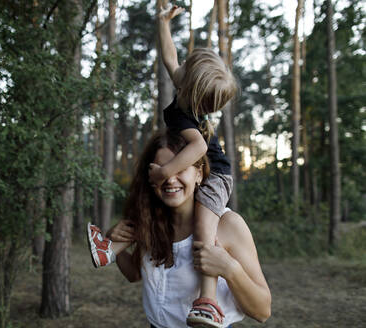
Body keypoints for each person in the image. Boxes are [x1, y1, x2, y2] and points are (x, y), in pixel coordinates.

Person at [89, 3, 239, 327]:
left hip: (215, 177)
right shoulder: (184, 85)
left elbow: (199, 146)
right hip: (194, 170)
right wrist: (162, 23)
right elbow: (169, 57)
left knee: (204, 233)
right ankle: (110, 248)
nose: (179, 68)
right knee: (148, 202)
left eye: (186, 68)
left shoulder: (188, 118)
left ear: (193, 91)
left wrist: (167, 171)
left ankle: (208, 301)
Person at [88, 131, 271, 328]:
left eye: (180, 168)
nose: (170, 179)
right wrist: (113, 242)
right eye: (162, 170)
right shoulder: (150, 221)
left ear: (199, 173)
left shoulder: (228, 224)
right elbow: (134, 274)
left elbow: (262, 312)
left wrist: (230, 269)